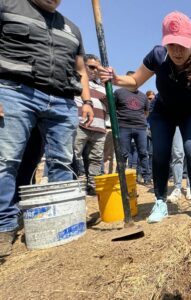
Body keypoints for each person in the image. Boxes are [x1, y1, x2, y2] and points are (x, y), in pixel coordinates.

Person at [99, 11, 191, 225]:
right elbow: (135, 81)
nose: (176, 51)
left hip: (190, 113)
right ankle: (160, 201)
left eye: (181, 45)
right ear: (164, 42)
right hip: (163, 112)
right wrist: (116, 78)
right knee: (161, 152)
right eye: (171, 44)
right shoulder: (157, 56)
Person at [0, 0, 93, 257]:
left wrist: (86, 101)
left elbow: (81, 69)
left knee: (62, 161)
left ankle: (62, 220)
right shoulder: (8, 6)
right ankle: (4, 225)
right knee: (6, 160)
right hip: (15, 91)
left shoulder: (72, 29)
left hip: (62, 99)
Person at [73, 54, 108, 196]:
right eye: (92, 67)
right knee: (75, 155)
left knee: (95, 158)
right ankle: (76, 184)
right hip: (81, 125)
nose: (95, 71)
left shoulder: (104, 88)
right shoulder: (77, 82)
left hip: (99, 128)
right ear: (83, 66)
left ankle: (92, 185)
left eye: (97, 68)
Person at [113, 71, 152, 186]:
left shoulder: (143, 96)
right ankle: (120, 178)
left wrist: (140, 120)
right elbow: (113, 109)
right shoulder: (118, 92)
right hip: (123, 127)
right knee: (123, 153)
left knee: (143, 153)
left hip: (140, 128)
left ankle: (147, 178)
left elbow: (146, 112)